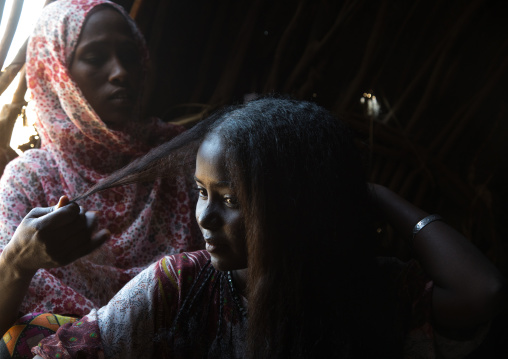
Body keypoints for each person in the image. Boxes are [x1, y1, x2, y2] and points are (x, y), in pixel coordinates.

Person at [28, 97, 505, 358]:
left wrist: (373, 196)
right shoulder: (180, 288)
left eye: (232, 200)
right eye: (201, 192)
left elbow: (482, 290)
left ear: (300, 207)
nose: (205, 219)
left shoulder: (373, 290)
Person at [0, 0, 202, 354]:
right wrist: (18, 262)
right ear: (56, 71)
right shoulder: (30, 178)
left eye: (129, 54)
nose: (120, 72)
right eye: (95, 57)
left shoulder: (181, 160)